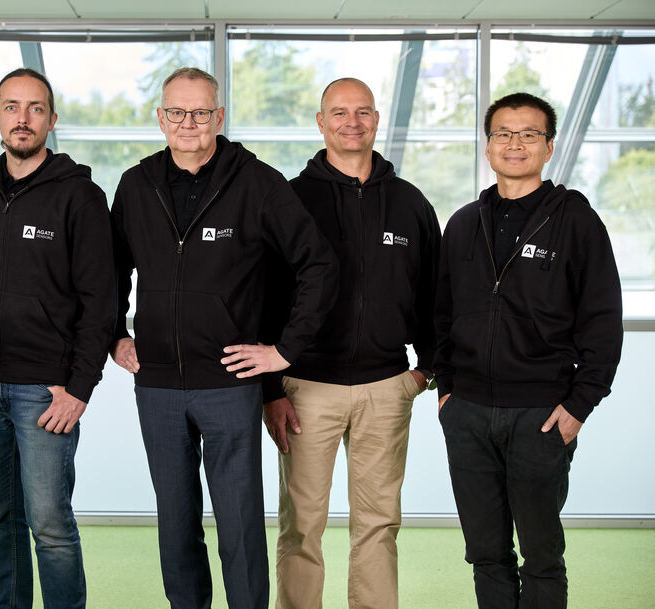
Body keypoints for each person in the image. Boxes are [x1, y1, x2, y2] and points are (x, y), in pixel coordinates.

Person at [109, 67, 336, 609]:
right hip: (158, 382)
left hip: (230, 383)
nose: (189, 123)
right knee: (176, 521)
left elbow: (318, 264)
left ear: (220, 117)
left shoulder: (257, 183)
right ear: (161, 118)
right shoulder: (136, 185)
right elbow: (108, 272)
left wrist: (282, 351)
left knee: (238, 523)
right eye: (177, 113)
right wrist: (114, 335)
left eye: (201, 112)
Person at [434, 92, 623, 609]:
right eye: (503, 134)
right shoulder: (463, 223)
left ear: (548, 147)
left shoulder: (577, 223)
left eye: (529, 135)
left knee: (540, 554)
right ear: (488, 145)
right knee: (486, 552)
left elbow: (603, 321)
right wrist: (447, 391)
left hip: (541, 414)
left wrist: (579, 406)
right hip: (469, 411)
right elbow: (442, 315)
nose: (514, 144)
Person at [261, 77, 441, 609]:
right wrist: (271, 388)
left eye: (362, 112)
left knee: (379, 525)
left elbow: (435, 292)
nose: (351, 122)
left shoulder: (410, 204)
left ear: (377, 120)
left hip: (387, 387)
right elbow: (265, 298)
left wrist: (425, 369)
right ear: (320, 123)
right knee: (301, 528)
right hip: (305, 390)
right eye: (339, 113)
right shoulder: (290, 200)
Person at [0, 68, 115, 609]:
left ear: (51, 120)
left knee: (50, 525)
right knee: (0, 519)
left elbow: (101, 301)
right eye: (12, 107)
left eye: (35, 108)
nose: (23, 118)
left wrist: (79, 387)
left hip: (46, 392)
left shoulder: (81, 197)